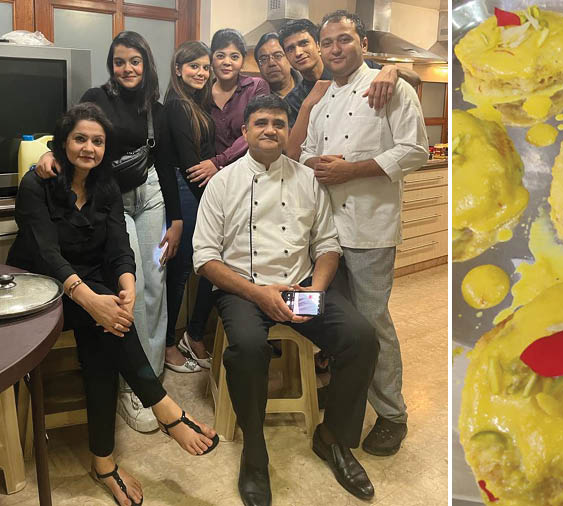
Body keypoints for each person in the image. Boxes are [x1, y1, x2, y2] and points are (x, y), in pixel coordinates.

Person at [8, 103, 218, 506]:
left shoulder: (105, 186)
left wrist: (127, 286)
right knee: (105, 321)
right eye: (80, 139)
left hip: (88, 281)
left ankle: (105, 461)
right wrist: (92, 301)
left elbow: (119, 244)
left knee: (108, 331)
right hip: (42, 288)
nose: (89, 148)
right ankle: (163, 411)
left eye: (97, 141)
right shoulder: (39, 183)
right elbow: (46, 252)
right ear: (63, 142)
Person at [193, 94, 379, 504]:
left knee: (361, 338)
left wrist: (316, 289)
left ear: (287, 130)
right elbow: (204, 258)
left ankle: (332, 438)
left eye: (279, 123)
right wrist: (257, 293)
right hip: (244, 290)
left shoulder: (307, 179)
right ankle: (255, 454)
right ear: (245, 131)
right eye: (261, 123)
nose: (270, 130)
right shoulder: (222, 183)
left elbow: (328, 245)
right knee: (248, 348)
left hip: (299, 289)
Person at [35, 31, 179, 434]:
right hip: (112, 199)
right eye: (119, 61)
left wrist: (178, 219)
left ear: (146, 64)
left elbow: (165, 164)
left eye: (135, 61)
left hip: (150, 198)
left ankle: (146, 379)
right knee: (126, 279)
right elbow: (70, 134)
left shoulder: (157, 107)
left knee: (155, 281)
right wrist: (48, 152)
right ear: (111, 65)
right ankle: (128, 380)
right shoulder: (97, 96)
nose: (127, 68)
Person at [298, 11, 429, 457]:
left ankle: (393, 414)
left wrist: (351, 169)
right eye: (328, 42)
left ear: (363, 43)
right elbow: (311, 154)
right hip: (329, 233)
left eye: (344, 40)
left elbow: (415, 150)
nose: (335, 49)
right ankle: (348, 403)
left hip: (370, 228)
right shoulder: (323, 101)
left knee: (373, 322)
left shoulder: (392, 88)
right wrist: (321, 165)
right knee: (346, 326)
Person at [172, 29, 271, 369]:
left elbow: (253, 131)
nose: (226, 62)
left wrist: (218, 162)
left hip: (251, 181)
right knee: (206, 258)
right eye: (220, 55)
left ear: (242, 60)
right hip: (210, 189)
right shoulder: (201, 93)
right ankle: (193, 332)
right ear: (211, 59)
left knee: (238, 257)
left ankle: (245, 329)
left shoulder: (255, 87)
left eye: (234, 56)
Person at [278, 19, 422, 160]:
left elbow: (415, 79)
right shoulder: (293, 100)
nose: (298, 52)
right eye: (290, 49)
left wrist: (392, 69)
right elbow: (293, 154)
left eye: (304, 43)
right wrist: (307, 105)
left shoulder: (353, 66)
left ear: (317, 46)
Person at [160, 40, 216, 373]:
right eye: (194, 65)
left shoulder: (194, 104)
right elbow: (189, 164)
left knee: (203, 267)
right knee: (179, 272)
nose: (201, 72)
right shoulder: (178, 107)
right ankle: (169, 345)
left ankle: (190, 336)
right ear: (179, 69)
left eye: (205, 67)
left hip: (193, 191)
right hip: (186, 192)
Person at [254, 32, 303, 126]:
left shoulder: (310, 87)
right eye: (263, 59)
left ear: (289, 57)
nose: (271, 63)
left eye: (278, 55)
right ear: (258, 66)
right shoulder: (256, 98)